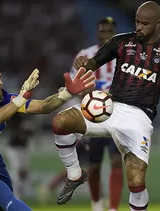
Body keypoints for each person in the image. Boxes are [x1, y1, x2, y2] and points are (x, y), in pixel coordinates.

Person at [51, 1, 160, 210]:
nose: (139, 27)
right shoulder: (121, 42)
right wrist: (83, 63)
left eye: (144, 24)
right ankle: (74, 174)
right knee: (60, 121)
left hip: (139, 118)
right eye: (137, 22)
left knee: (136, 182)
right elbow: (92, 64)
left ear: (158, 24)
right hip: (109, 108)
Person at [0, 57, 95, 211]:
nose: (0, 82)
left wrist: (66, 94)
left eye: (0, 77)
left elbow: (43, 107)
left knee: (2, 204)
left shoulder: (3, 98)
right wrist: (21, 99)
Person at [47, 17, 123, 211]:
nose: (105, 34)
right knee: (94, 164)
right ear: (97, 32)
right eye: (102, 31)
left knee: (116, 160)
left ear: (115, 33)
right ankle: (97, 204)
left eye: (109, 31)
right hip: (93, 115)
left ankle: (113, 208)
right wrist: (91, 92)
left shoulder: (124, 54)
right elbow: (75, 85)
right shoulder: (85, 55)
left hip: (118, 114)